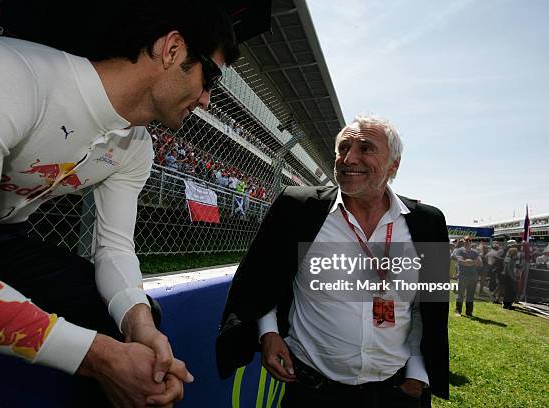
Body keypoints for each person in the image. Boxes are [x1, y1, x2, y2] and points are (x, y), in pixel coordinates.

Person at [0, 1, 239, 406]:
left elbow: (114, 248)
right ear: (172, 49)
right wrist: (99, 358)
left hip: (1, 237)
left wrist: (140, 325)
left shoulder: (137, 147)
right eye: (210, 79)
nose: (205, 100)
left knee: (135, 317)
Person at [216, 115, 449, 408]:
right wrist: (269, 332)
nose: (349, 158)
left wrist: (416, 375)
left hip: (396, 392)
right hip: (312, 392)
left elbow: (426, 308)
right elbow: (263, 280)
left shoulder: (428, 223)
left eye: (366, 148)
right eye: (343, 148)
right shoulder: (298, 208)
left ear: (394, 165)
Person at [453, 236, 482, 316]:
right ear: (464, 241)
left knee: (471, 295)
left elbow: (480, 263)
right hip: (462, 275)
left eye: (470, 240)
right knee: (460, 294)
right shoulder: (459, 250)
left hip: (473, 276)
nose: (468, 241)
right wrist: (473, 262)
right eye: (466, 240)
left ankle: (469, 312)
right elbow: (461, 262)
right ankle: (458, 311)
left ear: (471, 242)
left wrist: (470, 261)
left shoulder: (475, 252)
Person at [502, 240, 519, 309]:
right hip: (509, 275)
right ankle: (507, 304)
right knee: (510, 290)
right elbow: (508, 268)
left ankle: (507, 304)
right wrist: (513, 277)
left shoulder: (508, 256)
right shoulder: (509, 257)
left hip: (507, 275)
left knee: (508, 290)